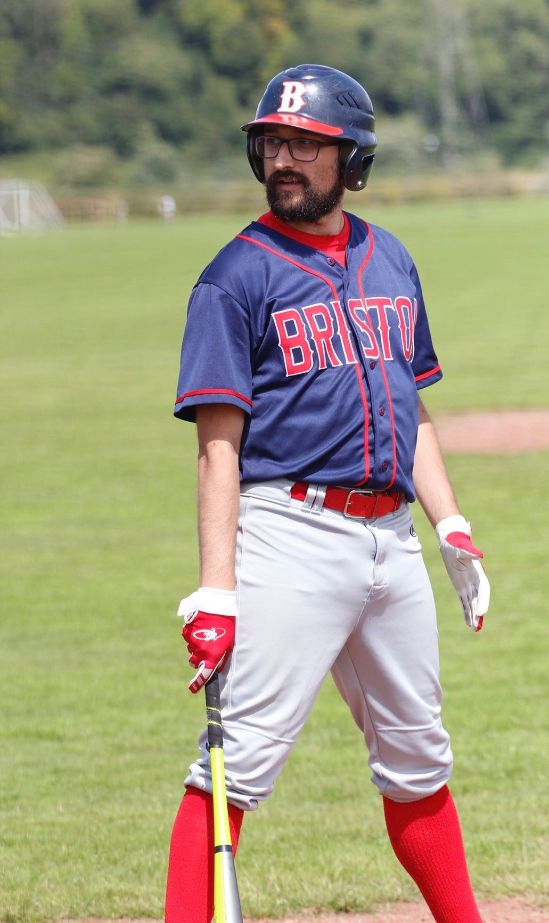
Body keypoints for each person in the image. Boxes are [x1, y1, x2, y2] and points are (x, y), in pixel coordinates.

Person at [165, 64, 490, 923]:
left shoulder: (391, 258)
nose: (283, 159)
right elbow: (217, 446)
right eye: (272, 143)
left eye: (304, 145)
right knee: (234, 768)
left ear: (351, 158)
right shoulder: (234, 277)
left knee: (419, 761)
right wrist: (217, 589)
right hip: (290, 535)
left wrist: (449, 519)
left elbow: (410, 404)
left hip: (392, 539)